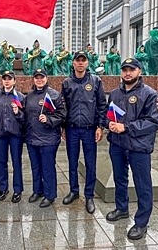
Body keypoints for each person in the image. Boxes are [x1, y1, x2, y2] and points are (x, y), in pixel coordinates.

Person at [105, 57, 158, 241]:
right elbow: (109, 115)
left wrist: (127, 127)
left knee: (142, 185)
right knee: (119, 179)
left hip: (138, 147)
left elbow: (155, 121)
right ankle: (122, 208)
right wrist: (110, 124)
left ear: (139, 71)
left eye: (132, 69)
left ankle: (141, 223)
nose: (127, 73)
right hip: (117, 144)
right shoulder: (114, 93)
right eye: (124, 70)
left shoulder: (151, 94)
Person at [61, 51, 106, 214]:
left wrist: (100, 126)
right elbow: (63, 106)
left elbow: (102, 104)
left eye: (83, 60)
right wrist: (63, 127)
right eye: (77, 60)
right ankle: (74, 191)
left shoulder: (96, 81)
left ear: (87, 63)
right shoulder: (66, 82)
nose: (80, 63)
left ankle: (89, 196)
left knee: (90, 164)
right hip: (72, 129)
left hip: (89, 129)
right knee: (72, 162)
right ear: (73, 63)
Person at [23, 68, 66, 208]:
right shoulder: (29, 97)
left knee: (47, 167)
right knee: (35, 167)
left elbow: (62, 115)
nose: (39, 80)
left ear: (46, 78)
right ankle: (38, 190)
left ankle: (50, 194)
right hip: (32, 138)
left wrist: (48, 119)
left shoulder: (54, 95)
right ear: (33, 79)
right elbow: (25, 116)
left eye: (42, 77)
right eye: (37, 77)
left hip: (49, 138)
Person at [0, 71, 25, 203]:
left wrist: (18, 113)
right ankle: (3, 188)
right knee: (2, 162)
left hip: (15, 134)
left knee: (16, 162)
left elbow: (24, 118)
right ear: (2, 81)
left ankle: (17, 189)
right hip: (1, 134)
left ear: (14, 81)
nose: (7, 81)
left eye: (10, 79)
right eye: (5, 79)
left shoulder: (19, 97)